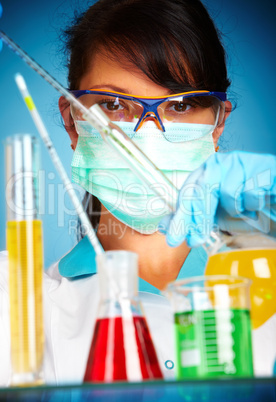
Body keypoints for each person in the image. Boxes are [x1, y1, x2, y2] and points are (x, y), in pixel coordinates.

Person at [0, 0, 275, 386]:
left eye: (180, 104)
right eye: (114, 105)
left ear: (217, 124)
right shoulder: (17, 305)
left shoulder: (264, 285)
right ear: (73, 123)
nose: (147, 133)